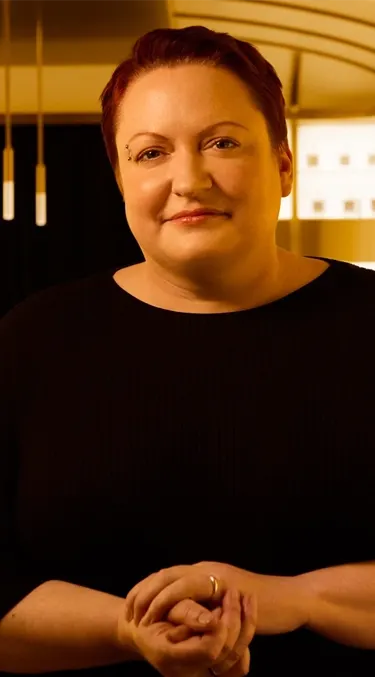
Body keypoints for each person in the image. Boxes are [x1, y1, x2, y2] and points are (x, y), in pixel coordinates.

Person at [0, 23, 375, 677]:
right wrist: (126, 628)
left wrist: (293, 596)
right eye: (150, 153)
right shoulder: (32, 338)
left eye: (221, 143)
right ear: (120, 180)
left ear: (283, 164)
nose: (188, 178)